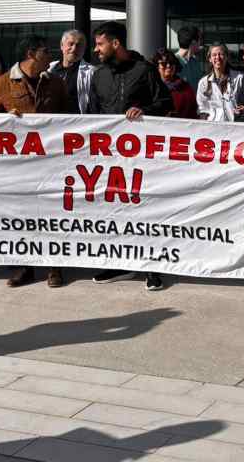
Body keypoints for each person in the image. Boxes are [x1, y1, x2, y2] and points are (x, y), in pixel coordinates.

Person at [87, 21, 173, 290]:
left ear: (116, 43)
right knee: (113, 210)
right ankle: (118, 264)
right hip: (109, 157)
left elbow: (165, 102)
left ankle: (152, 267)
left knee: (146, 209)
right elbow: (91, 114)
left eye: (100, 44)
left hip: (143, 158)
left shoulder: (144, 70)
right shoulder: (98, 75)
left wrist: (144, 111)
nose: (96, 49)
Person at [0, 35, 70, 288]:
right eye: (45, 51)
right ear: (31, 54)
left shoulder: (56, 82)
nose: (51, 55)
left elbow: (70, 118)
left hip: (50, 160)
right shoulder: (2, 83)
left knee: (52, 213)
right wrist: (4, 120)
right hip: (17, 164)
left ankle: (54, 266)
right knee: (21, 214)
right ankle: (25, 267)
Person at [47, 29, 97, 114]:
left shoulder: (92, 72)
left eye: (79, 45)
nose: (74, 49)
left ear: (84, 49)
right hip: (52, 120)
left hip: (78, 121)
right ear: (62, 45)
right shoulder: (50, 69)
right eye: (70, 44)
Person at [195, 43, 241, 122]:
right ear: (210, 59)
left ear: (227, 57)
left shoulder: (238, 78)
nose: (218, 57)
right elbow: (202, 109)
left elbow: (243, 104)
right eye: (214, 55)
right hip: (213, 127)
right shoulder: (203, 83)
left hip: (234, 126)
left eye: (221, 54)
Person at [154, 49, 199, 119]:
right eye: (164, 63)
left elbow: (192, 112)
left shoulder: (185, 87)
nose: (168, 66)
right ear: (157, 67)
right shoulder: (151, 87)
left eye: (171, 63)